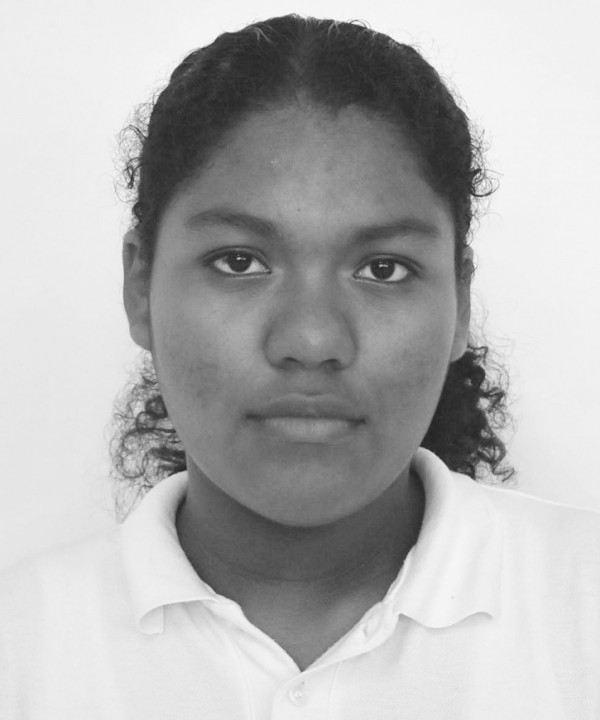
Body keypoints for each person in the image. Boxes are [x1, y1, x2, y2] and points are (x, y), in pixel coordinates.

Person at [1, 13, 599, 719]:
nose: (312, 340)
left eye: (383, 268)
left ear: (461, 302)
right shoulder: (23, 650)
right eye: (239, 262)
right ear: (140, 287)